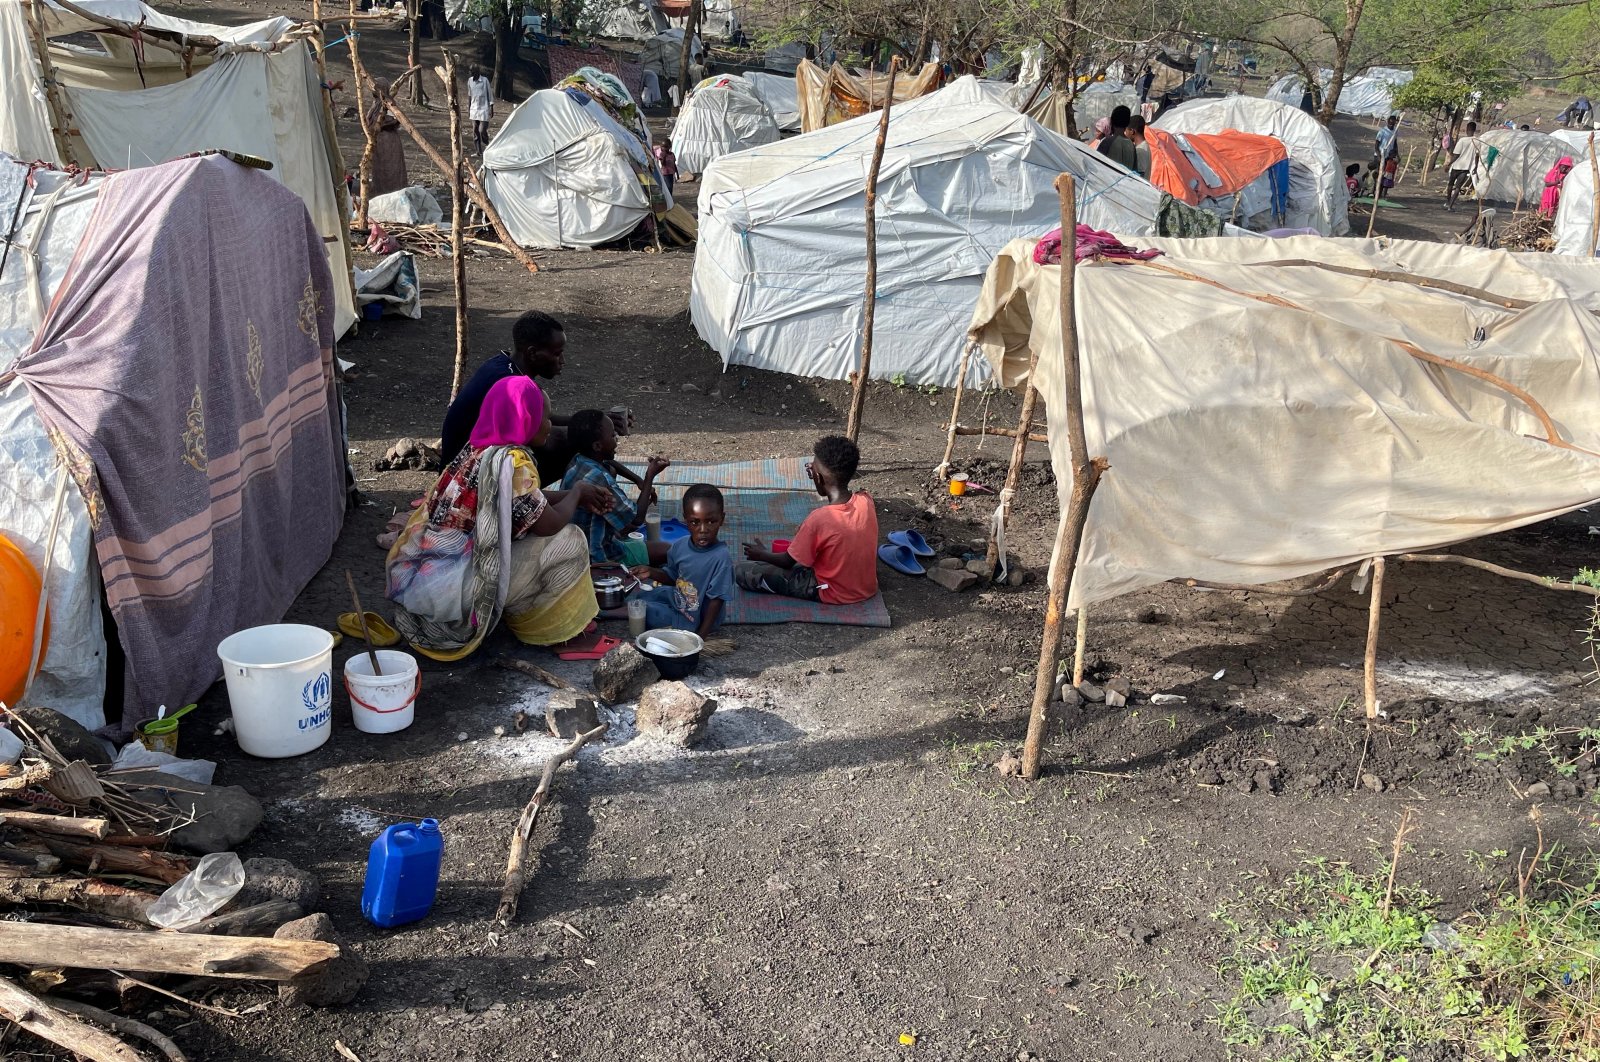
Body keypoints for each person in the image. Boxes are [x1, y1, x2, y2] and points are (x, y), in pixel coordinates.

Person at [387, 377, 617, 661]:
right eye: (544, 417)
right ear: (525, 418)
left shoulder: (479, 448)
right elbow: (550, 523)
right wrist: (579, 491)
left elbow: (524, 502)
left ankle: (523, 617)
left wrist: (571, 494)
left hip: (428, 584)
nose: (549, 425)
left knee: (528, 534)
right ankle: (560, 633)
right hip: (455, 595)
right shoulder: (512, 462)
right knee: (569, 540)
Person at [439, 311, 630, 483]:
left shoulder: (504, 365)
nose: (562, 361)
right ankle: (552, 505)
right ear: (532, 353)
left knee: (577, 438)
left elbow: (541, 419)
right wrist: (595, 432)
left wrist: (599, 421)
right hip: (465, 476)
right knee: (576, 444)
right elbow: (542, 427)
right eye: (557, 353)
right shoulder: (507, 382)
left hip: (468, 465)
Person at [737, 436, 878, 604]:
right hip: (866, 586)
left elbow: (787, 562)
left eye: (811, 470)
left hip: (831, 591)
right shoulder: (866, 500)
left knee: (741, 572)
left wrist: (762, 555)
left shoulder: (819, 519)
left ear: (818, 477)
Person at [560, 409, 672, 566]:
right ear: (598, 446)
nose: (616, 439)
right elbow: (636, 519)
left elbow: (609, 463)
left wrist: (637, 480)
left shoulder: (578, 461)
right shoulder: (601, 479)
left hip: (573, 546)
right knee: (669, 550)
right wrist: (649, 477)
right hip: (598, 556)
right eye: (612, 435)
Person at [629, 485, 733, 638]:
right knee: (640, 599)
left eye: (711, 522)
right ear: (686, 520)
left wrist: (700, 636)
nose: (703, 529)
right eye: (695, 522)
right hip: (678, 596)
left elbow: (715, 600)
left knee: (647, 613)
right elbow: (673, 577)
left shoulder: (721, 558)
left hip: (696, 617)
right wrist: (651, 572)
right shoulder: (681, 545)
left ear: (721, 519)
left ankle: (687, 626)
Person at [366, 80, 408, 196]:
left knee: (392, 168)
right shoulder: (375, 105)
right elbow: (369, 122)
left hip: (390, 141)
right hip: (378, 142)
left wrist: (382, 123)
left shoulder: (390, 104)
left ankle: (395, 193)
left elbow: (396, 119)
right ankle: (381, 192)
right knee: (381, 169)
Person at [1446, 121, 1484, 211]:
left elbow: (1456, 155)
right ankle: (1450, 206)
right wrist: (1475, 167)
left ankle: (1448, 201)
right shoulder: (1477, 141)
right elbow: (1477, 155)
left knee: (1450, 184)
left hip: (1456, 166)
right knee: (1458, 187)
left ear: (1467, 129)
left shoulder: (1462, 140)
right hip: (1466, 168)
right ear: (1474, 130)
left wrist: (1448, 164)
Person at [1097, 105, 1139, 172]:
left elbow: (1095, 164)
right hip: (1126, 181)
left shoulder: (1107, 142)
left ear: (1112, 121)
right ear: (1127, 123)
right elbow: (1134, 170)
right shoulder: (1131, 145)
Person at [467, 65, 493, 157]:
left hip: (484, 109)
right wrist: (468, 108)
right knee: (475, 131)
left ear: (477, 72)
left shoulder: (485, 80)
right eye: (470, 71)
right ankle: (478, 152)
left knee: (482, 130)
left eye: (472, 71)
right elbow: (469, 95)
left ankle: (487, 144)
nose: (470, 73)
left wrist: (491, 107)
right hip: (474, 109)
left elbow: (489, 94)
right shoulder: (470, 81)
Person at [1374, 114, 1401, 195]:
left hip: (1389, 157)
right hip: (1380, 155)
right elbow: (1376, 144)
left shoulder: (1395, 131)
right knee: (1378, 174)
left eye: (1393, 122)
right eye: (1390, 122)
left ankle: (1381, 193)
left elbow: (1395, 143)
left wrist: (1397, 155)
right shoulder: (1382, 131)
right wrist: (1379, 156)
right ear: (1388, 122)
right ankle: (1374, 191)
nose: (1391, 123)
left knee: (1386, 175)